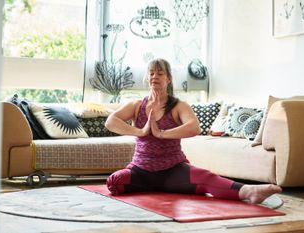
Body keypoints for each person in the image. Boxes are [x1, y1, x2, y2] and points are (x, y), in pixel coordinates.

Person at [105, 58, 282, 204]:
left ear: (168, 78)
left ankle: (248, 191)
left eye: (160, 73)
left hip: (173, 169)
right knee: (114, 182)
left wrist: (162, 134)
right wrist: (140, 131)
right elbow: (110, 121)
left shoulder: (178, 106)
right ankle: (156, 186)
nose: (155, 77)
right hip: (140, 170)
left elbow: (194, 127)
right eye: (151, 73)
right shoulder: (137, 105)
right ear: (146, 77)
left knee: (206, 177)